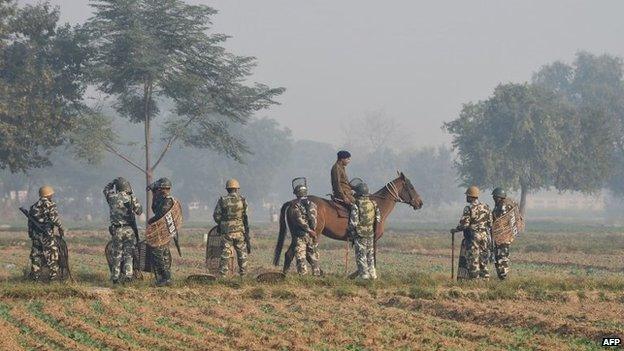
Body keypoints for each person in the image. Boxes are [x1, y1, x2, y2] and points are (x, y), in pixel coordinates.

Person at [103, 177, 142, 284]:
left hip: (117, 230)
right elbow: (139, 211)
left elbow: (105, 190)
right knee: (128, 254)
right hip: (129, 229)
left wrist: (112, 182)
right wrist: (133, 195)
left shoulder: (111, 197)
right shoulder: (130, 198)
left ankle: (115, 277)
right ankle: (128, 276)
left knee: (117, 254)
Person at [450, 186, 492, 280]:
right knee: (483, 259)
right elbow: (490, 223)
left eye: (467, 196)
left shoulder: (469, 208)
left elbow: (464, 224)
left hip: (474, 237)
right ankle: (485, 280)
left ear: (470, 196)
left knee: (474, 260)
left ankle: (475, 282)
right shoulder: (486, 207)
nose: (466, 198)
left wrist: (455, 230)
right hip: (485, 236)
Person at [28, 186, 65, 282]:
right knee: (52, 255)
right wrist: (61, 227)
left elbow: (30, 223)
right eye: (51, 194)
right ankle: (53, 279)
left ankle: (35, 279)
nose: (52, 195)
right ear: (48, 194)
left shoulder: (33, 206)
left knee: (36, 256)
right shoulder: (50, 205)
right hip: (47, 235)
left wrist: (31, 235)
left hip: (36, 235)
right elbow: (54, 219)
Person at [213, 179, 250, 277]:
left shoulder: (222, 200)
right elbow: (246, 215)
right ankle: (243, 275)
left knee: (225, 253)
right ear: (237, 189)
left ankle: (223, 276)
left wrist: (222, 223)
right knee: (242, 253)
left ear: (227, 189)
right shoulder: (242, 200)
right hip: (239, 231)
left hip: (226, 231)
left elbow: (216, 215)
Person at [348, 182, 381, 279]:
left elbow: (353, 222)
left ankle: (364, 275)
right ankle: (373, 275)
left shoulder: (356, 205)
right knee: (370, 254)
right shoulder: (373, 203)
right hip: (370, 233)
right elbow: (378, 218)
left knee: (361, 255)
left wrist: (350, 231)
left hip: (360, 234)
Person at [147, 177, 175, 286]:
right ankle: (164, 278)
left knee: (158, 252)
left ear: (163, 188)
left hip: (164, 231)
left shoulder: (168, 200)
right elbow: (154, 208)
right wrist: (154, 193)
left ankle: (166, 277)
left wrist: (151, 220)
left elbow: (161, 214)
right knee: (164, 253)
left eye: (159, 188)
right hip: (161, 230)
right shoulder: (162, 198)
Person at [289, 184, 321, 276]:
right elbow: (314, 220)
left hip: (301, 234)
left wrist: (308, 230)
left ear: (297, 194)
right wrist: (312, 231)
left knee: (300, 256)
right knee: (313, 255)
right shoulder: (313, 204)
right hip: (312, 235)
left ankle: (303, 276)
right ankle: (316, 274)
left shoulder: (295, 206)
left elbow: (299, 220)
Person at [491, 187, 518, 280]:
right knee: (498, 257)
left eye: (495, 197)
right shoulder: (498, 206)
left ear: (501, 197)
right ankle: (501, 277)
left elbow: (499, 220)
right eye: (494, 197)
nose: (494, 199)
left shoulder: (503, 207)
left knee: (502, 257)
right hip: (499, 237)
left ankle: (503, 278)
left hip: (504, 237)